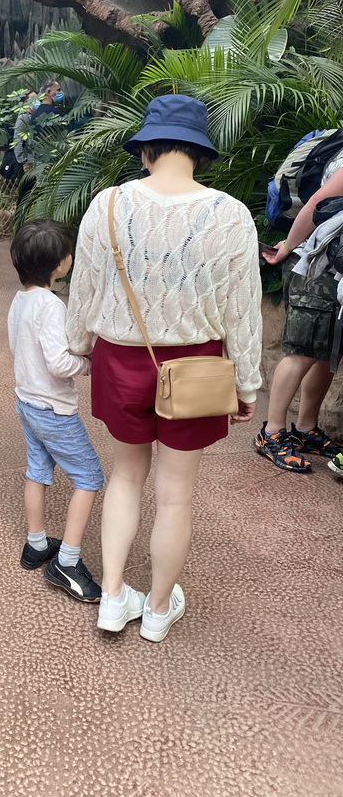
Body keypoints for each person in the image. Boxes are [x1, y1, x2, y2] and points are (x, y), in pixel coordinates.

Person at [66, 94, 262, 642]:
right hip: (196, 366)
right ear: (199, 152)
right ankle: (156, 609)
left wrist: (78, 345)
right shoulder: (229, 215)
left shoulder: (107, 205)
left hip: (122, 358)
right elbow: (241, 309)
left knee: (126, 476)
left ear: (147, 147)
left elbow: (85, 289)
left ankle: (110, 599)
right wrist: (246, 382)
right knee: (176, 492)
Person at [9, 219, 103, 602]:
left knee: (38, 469)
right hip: (53, 409)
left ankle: (35, 545)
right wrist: (89, 364)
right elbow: (60, 363)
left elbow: (19, 349)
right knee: (90, 476)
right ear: (61, 264)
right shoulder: (50, 305)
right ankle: (66, 560)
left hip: (27, 401)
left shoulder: (20, 300)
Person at [258, 161, 343, 474]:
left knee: (327, 353)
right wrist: (288, 247)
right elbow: (316, 203)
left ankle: (306, 430)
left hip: (337, 271)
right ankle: (271, 433)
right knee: (302, 351)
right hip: (315, 266)